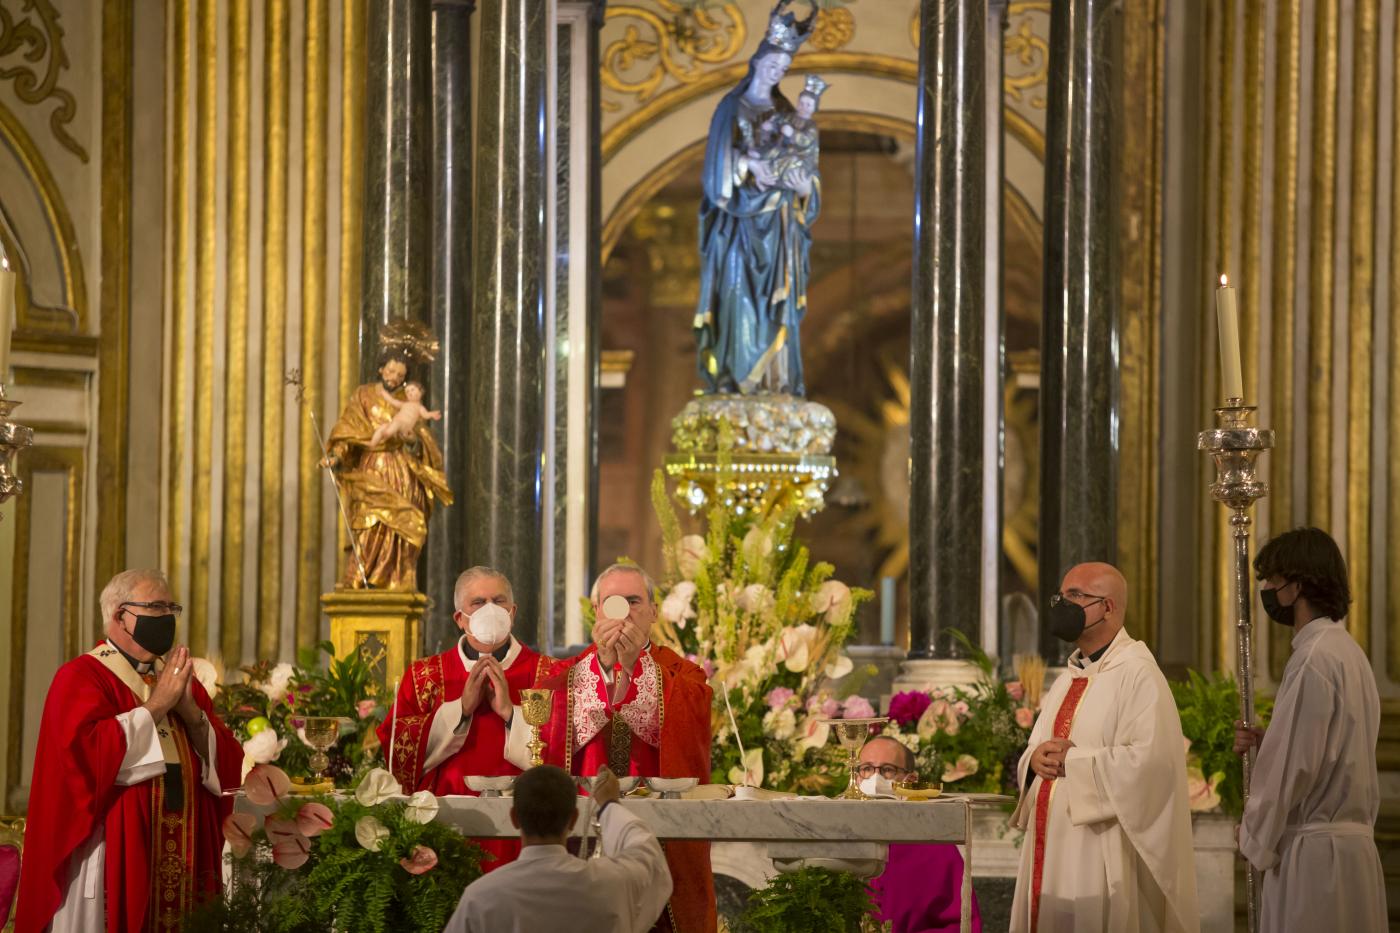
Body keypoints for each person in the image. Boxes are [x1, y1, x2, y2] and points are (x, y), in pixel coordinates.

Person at [14, 570, 244, 933]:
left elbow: (228, 762)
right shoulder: (82, 677)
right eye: (156, 606)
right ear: (121, 616)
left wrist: (190, 713)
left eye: (172, 607)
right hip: (113, 851)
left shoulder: (178, 680)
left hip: (184, 848)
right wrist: (157, 706)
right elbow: (83, 760)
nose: (167, 616)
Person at [1008, 562, 1198, 933]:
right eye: (1061, 596)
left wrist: (1073, 762)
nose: (1063, 604)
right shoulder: (1069, 677)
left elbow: (1151, 764)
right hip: (1051, 847)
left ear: (1108, 607)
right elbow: (1038, 747)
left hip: (1099, 849)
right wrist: (1034, 760)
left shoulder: (1139, 674)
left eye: (1076, 596)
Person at [526, 563, 715, 933]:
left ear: (654, 611)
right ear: (596, 611)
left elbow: (688, 734)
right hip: (584, 830)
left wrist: (636, 669)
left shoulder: (684, 674)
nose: (624, 612)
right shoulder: (565, 676)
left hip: (663, 835)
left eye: (634, 600)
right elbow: (547, 736)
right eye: (612, 602)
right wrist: (603, 667)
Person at [1234, 527, 1386, 931]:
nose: (1267, 589)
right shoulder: (1350, 653)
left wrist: (1251, 835)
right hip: (1350, 855)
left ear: (1295, 585)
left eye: (1271, 580)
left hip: (1315, 861)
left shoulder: (1313, 659)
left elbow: (1291, 768)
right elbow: (1335, 749)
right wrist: (1272, 741)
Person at [378, 567, 552, 872]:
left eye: (499, 601)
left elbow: (564, 753)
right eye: (479, 602)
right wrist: (460, 710)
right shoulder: (424, 676)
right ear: (460, 619)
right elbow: (398, 752)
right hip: (444, 828)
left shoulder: (548, 673)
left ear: (513, 612)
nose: (490, 610)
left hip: (525, 826)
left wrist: (511, 713)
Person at [694, 0, 819, 396]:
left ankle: (776, 385)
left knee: (776, 307)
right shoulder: (731, 109)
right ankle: (734, 381)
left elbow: (806, 169)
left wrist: (803, 189)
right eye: (772, 66)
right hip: (737, 228)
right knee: (736, 298)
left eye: (783, 70)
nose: (776, 73)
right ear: (758, 61)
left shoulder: (787, 111)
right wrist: (747, 162)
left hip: (779, 228)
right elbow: (716, 172)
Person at [443, 765, 671, 933]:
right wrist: (608, 804)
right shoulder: (611, 883)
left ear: (514, 819)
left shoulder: (481, 897)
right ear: (573, 820)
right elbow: (648, 856)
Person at [321, 349, 453, 589]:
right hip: (370, 467)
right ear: (381, 368)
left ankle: (395, 579)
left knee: (399, 525)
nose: (393, 377)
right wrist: (336, 456)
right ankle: (358, 577)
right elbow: (348, 429)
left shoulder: (409, 401)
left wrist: (412, 440)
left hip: (399, 473)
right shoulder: (363, 395)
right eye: (390, 370)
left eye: (400, 374)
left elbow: (424, 439)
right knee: (366, 522)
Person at [860, 736, 981, 933]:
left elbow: (961, 925)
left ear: (911, 780)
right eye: (866, 769)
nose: (874, 779)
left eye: (887, 770)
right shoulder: (837, 839)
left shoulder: (935, 847)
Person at [368, 380, 441, 448]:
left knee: (397, 423)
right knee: (383, 426)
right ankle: (373, 443)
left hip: (405, 426)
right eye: (407, 392)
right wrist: (384, 393)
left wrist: (432, 414)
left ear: (420, 392)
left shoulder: (419, 407)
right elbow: (392, 401)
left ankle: (387, 434)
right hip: (395, 424)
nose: (410, 393)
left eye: (412, 390)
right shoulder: (404, 404)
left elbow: (425, 415)